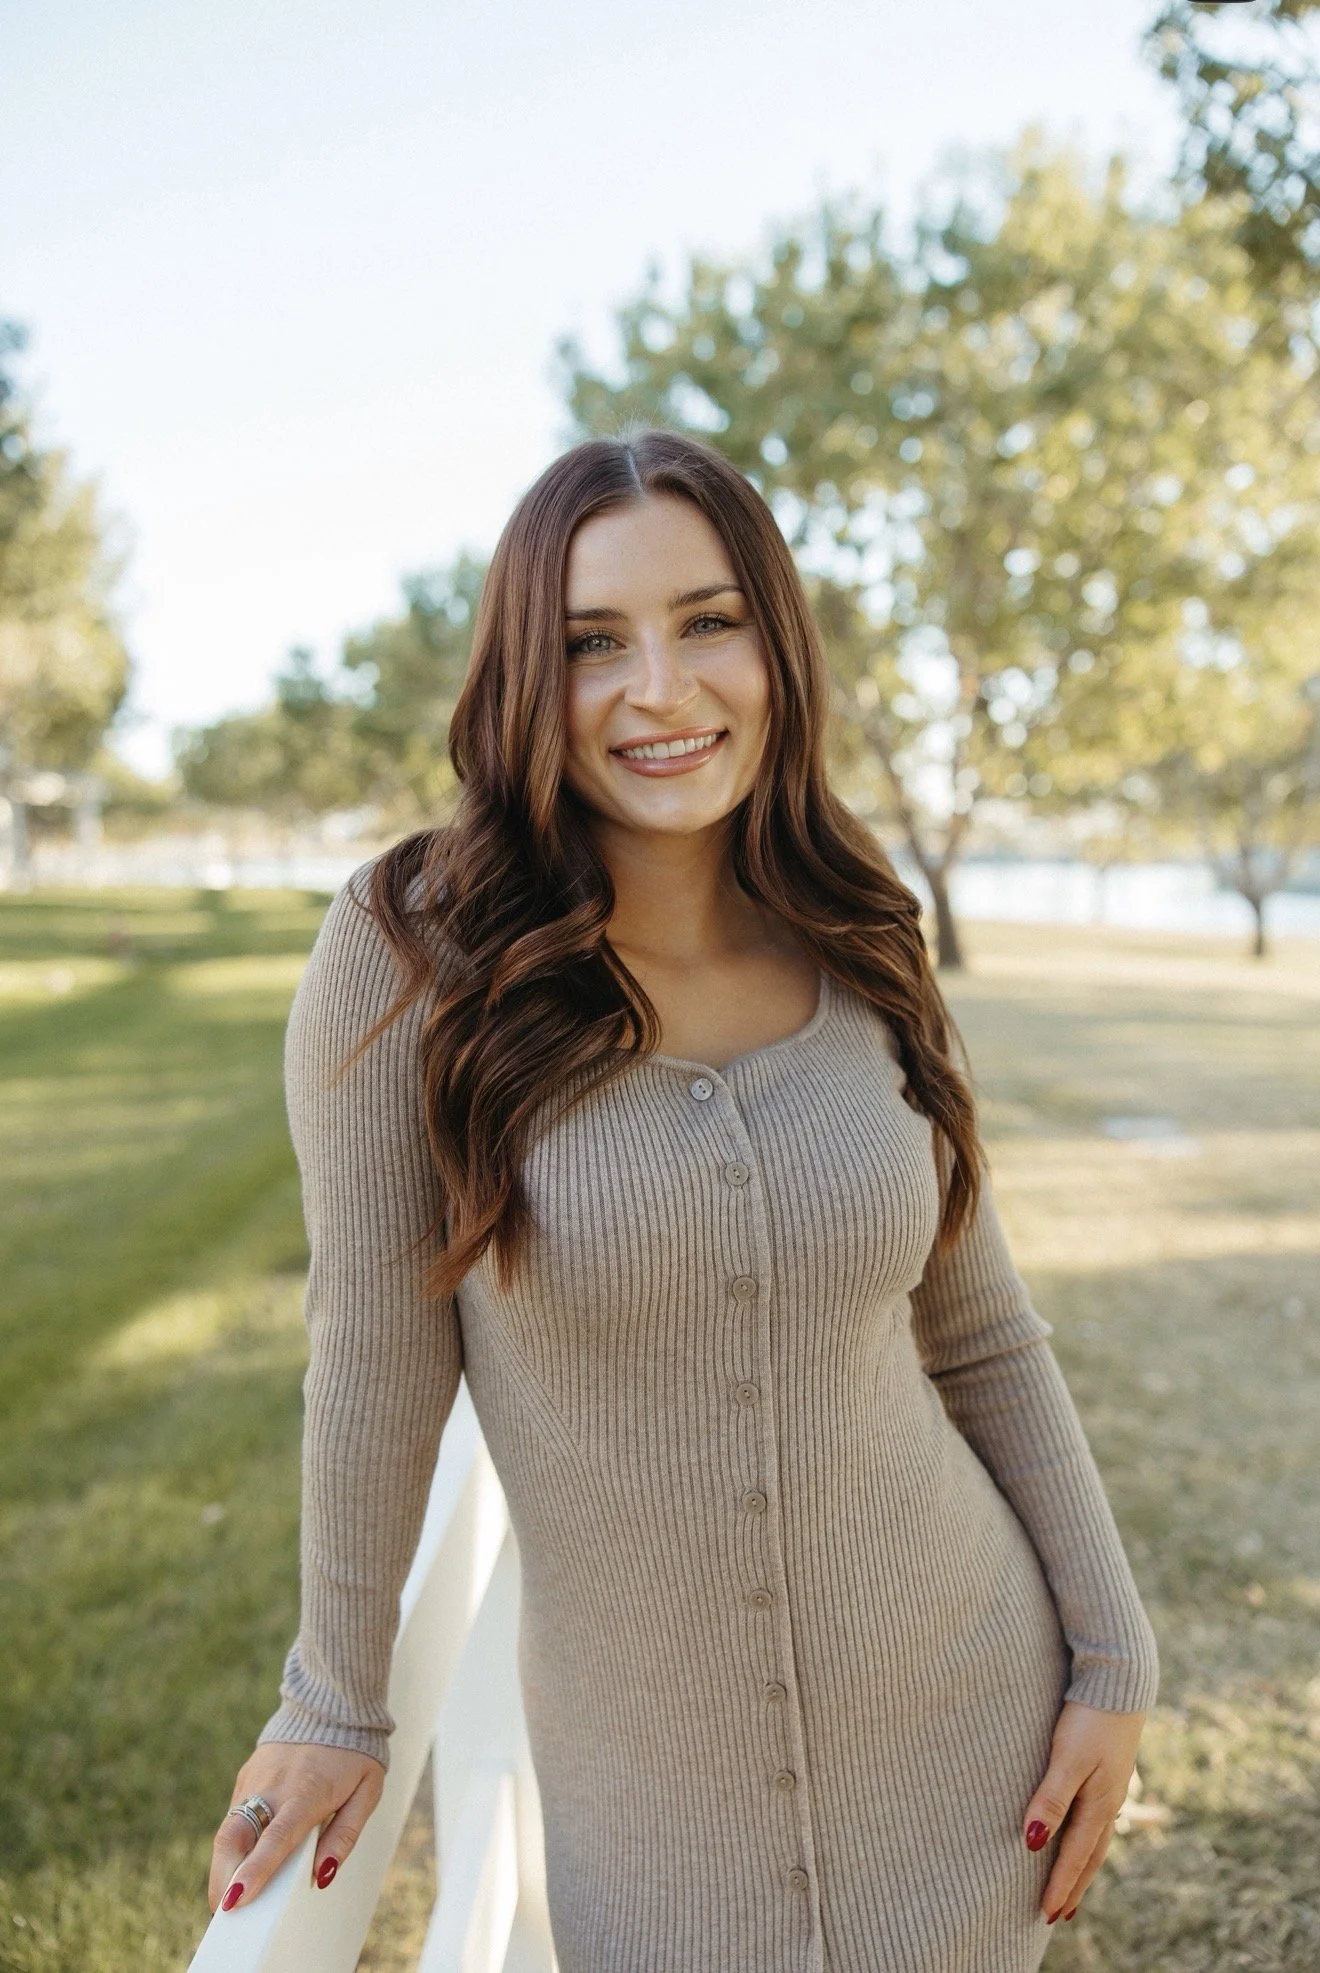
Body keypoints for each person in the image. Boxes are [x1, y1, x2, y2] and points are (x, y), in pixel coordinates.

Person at [208, 430, 1159, 1971]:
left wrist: (1115, 1653)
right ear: (529, 672)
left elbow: (980, 1331)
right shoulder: (408, 955)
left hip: (971, 1733)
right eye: (594, 642)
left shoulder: (864, 938)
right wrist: (337, 1698)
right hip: (654, 1815)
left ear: (774, 645)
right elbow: (375, 1361)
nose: (661, 688)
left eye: (709, 621)